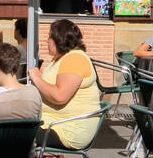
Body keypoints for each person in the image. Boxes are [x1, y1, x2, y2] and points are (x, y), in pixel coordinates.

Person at [28, 19, 101, 150]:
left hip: (68, 129)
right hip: (52, 123)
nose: (46, 40)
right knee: (6, 126)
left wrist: (37, 78)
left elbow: (59, 96)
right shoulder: (60, 58)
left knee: (11, 136)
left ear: (59, 38)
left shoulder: (74, 59)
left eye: (49, 36)